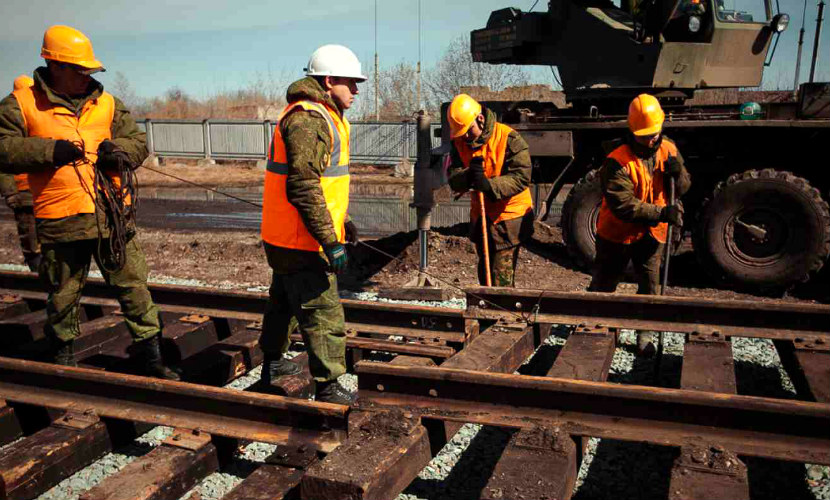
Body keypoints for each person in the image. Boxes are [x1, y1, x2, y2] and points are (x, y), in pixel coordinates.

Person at [0, 25, 178, 379]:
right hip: (62, 216)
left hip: (112, 215)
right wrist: (49, 150)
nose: (87, 77)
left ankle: (152, 356)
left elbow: (138, 141)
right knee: (63, 294)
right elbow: (3, 146)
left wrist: (119, 152)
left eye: (90, 71)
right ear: (55, 65)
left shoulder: (108, 103)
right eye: (80, 70)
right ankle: (63, 357)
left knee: (134, 288)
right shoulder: (20, 105)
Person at [259, 44, 365, 405]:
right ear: (330, 80)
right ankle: (330, 385)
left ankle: (272, 365)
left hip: (285, 235)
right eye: (351, 82)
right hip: (302, 239)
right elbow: (303, 186)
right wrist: (329, 240)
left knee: (284, 302)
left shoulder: (320, 116)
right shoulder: (309, 119)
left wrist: (343, 221)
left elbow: (323, 182)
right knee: (322, 310)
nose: (356, 90)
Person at [588, 93, 691, 355]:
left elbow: (683, 188)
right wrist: (661, 213)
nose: (652, 139)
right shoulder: (616, 161)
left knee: (650, 287)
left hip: (651, 235)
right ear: (633, 131)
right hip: (617, 234)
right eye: (646, 134)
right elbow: (623, 206)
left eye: (655, 132)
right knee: (604, 284)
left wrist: (678, 173)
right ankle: (598, 327)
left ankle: (644, 334)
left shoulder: (669, 148)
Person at [445, 94, 534, 287]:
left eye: (468, 131)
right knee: (485, 275)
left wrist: (489, 186)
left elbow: (521, 177)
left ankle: (503, 313)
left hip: (509, 217)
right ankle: (489, 314)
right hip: (482, 217)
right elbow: (453, 178)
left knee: (501, 275)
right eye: (461, 134)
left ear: (480, 119)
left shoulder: (508, 138)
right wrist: (468, 176)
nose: (465, 137)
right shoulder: (459, 142)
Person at [0, 75, 41, 271]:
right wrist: (10, 191)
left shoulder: (37, 115)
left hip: (43, 189)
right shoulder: (9, 117)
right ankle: (38, 275)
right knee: (31, 236)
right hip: (23, 191)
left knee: (41, 235)